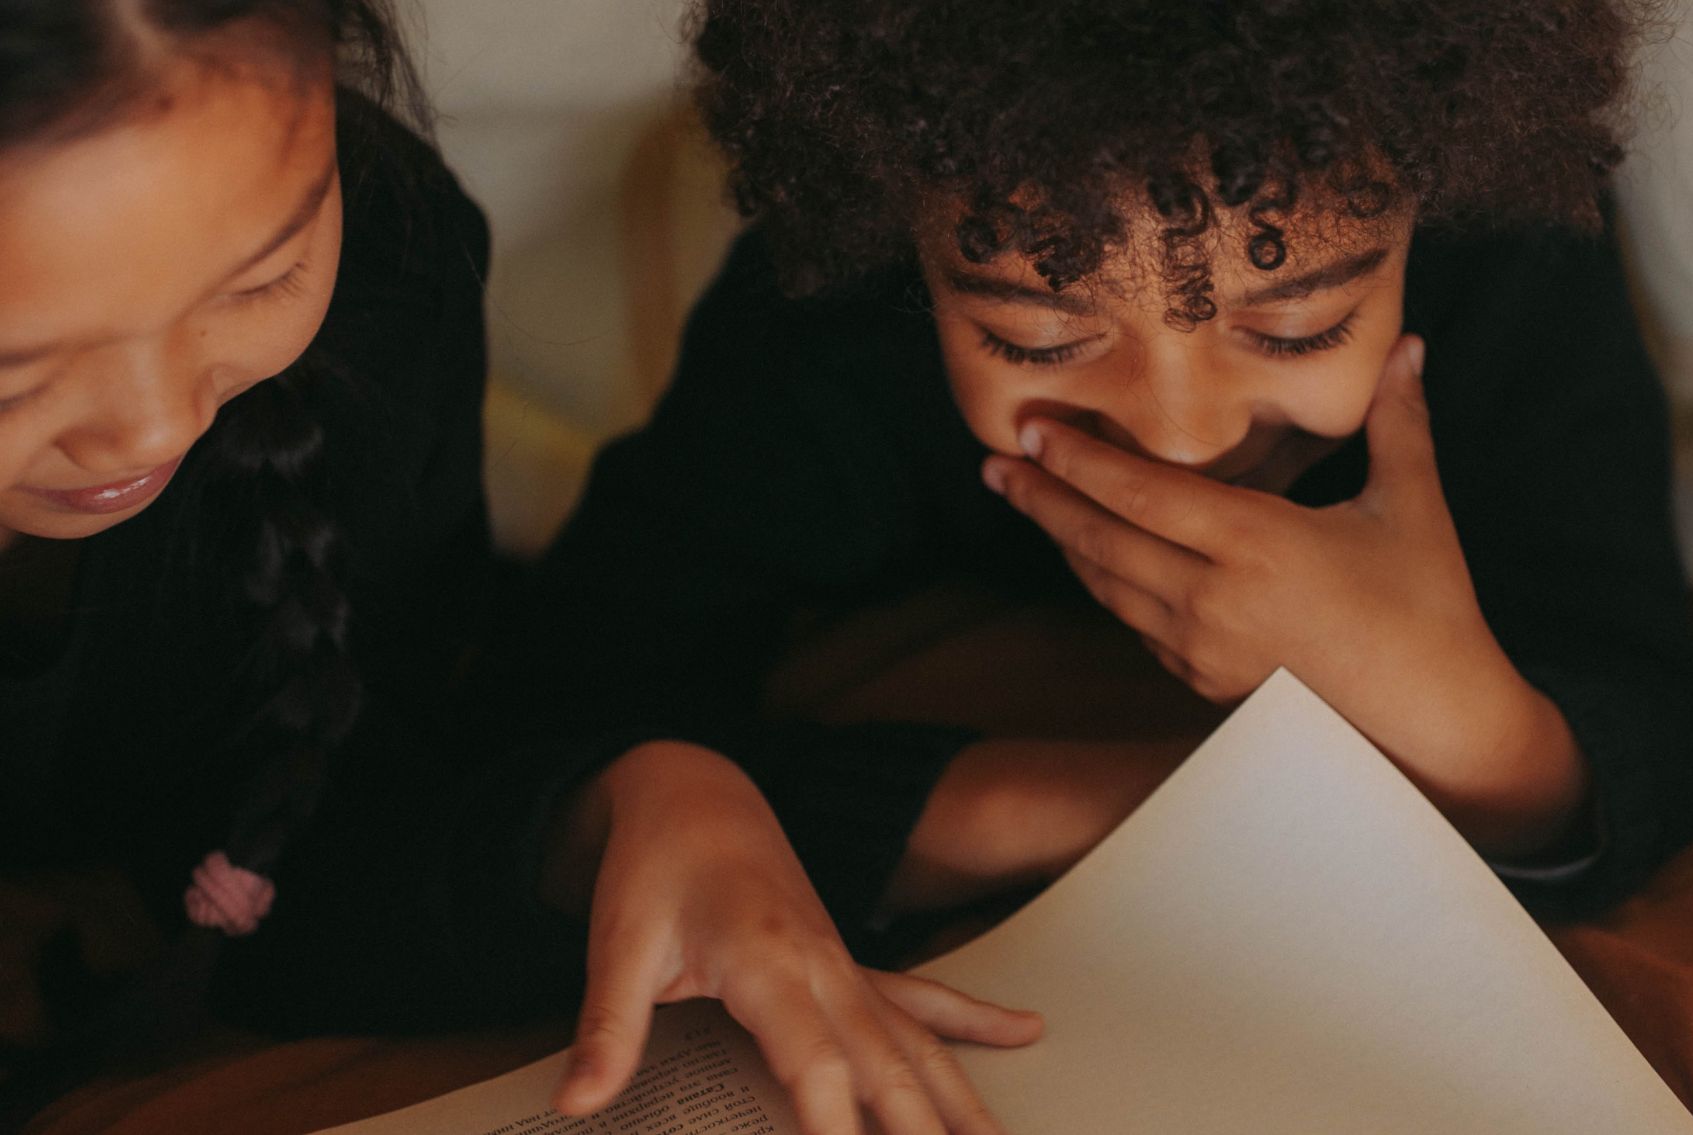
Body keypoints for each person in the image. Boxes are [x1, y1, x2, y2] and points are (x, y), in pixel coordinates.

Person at [523, 0, 1693, 1055]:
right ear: (903, 243)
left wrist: (1455, 719)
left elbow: (1640, 727)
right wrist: (1100, 804)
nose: (1184, 435)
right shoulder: (832, 320)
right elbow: (562, 706)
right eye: (1040, 340)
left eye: (1297, 329)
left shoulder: (1504, 255)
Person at [0, 3, 1035, 1131]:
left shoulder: (386, 278)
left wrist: (618, 811)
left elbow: (326, 842)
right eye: (16, 371)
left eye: (261, 278)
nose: (151, 430)